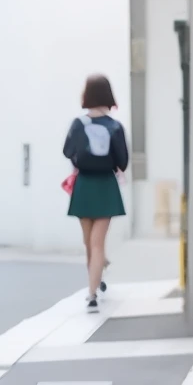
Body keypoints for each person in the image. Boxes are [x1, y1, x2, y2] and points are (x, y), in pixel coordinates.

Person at [63, 75, 128, 309]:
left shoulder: (78, 124)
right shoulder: (115, 127)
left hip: (84, 185)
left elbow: (67, 151)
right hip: (106, 186)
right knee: (97, 242)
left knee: (89, 242)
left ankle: (93, 288)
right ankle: (94, 287)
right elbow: (123, 161)